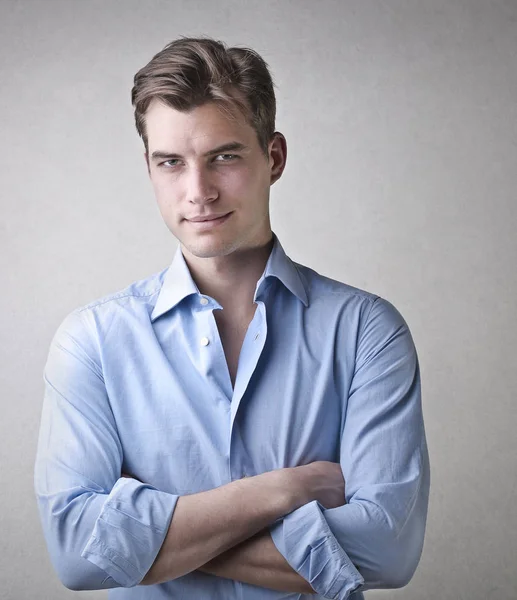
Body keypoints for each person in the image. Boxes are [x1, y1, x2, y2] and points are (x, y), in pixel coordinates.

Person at [34, 37, 430, 600]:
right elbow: (76, 554)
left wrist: (149, 542)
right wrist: (282, 491)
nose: (198, 192)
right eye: (171, 162)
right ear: (148, 167)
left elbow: (388, 551)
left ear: (273, 157)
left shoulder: (367, 331)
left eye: (224, 156)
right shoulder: (92, 342)